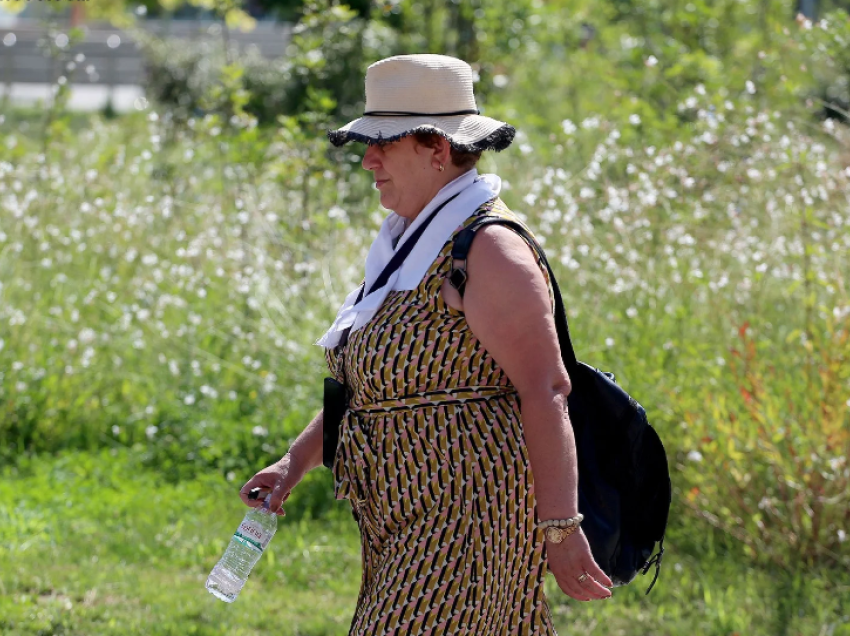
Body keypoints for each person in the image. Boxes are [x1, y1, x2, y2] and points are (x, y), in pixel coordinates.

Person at [240, 54, 613, 635]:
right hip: (401, 522)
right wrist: (295, 463)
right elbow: (370, 386)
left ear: (438, 149)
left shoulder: (489, 247)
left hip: (466, 522)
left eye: (384, 143)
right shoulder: (406, 241)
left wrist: (560, 530)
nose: (368, 159)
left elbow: (547, 389)